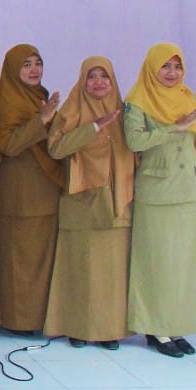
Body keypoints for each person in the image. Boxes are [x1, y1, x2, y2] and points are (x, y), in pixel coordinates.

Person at [43, 56, 133, 349]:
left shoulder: (125, 111)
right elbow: (56, 148)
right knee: (81, 268)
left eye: (104, 76)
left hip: (118, 202)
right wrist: (92, 128)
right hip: (82, 202)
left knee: (112, 271)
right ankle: (77, 327)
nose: (98, 82)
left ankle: (108, 330)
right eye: (91, 76)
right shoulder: (71, 109)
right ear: (82, 80)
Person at [123, 43, 196, 357]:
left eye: (177, 67)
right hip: (158, 191)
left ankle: (175, 326)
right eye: (165, 67)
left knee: (185, 264)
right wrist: (174, 128)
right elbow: (134, 141)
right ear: (152, 68)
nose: (172, 73)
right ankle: (155, 329)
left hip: (190, 189)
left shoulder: (187, 96)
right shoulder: (138, 100)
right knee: (157, 262)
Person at [0, 44, 62, 335]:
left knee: (41, 262)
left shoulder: (39, 97)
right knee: (19, 262)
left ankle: (39, 317)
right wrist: (42, 119)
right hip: (18, 198)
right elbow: (8, 145)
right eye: (26, 65)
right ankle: (18, 321)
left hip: (46, 191)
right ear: (12, 70)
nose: (34, 70)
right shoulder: (7, 103)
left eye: (38, 63)